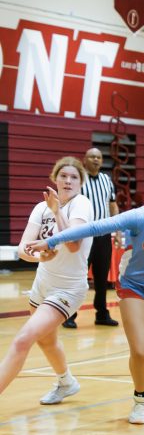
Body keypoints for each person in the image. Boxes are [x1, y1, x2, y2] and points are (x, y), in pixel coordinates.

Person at [28, 173, 144, 424]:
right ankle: (141, 400)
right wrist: (51, 240)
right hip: (135, 286)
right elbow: (95, 227)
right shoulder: (141, 216)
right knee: (140, 351)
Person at [0, 157, 93, 404]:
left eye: (74, 177)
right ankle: (66, 382)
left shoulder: (81, 204)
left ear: (81, 183)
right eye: (64, 175)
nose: (68, 180)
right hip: (42, 284)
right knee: (47, 342)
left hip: (68, 288)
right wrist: (40, 255)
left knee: (22, 340)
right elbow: (22, 249)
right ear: (55, 178)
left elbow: (73, 244)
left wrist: (57, 211)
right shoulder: (40, 208)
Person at [63, 147, 119, 328]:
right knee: (78, 275)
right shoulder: (78, 181)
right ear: (84, 160)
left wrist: (117, 230)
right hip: (83, 235)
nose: (95, 159)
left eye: (98, 157)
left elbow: (113, 205)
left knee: (102, 277)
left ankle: (102, 313)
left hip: (103, 236)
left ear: (102, 161)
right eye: (92, 157)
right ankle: (69, 314)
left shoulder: (106, 180)